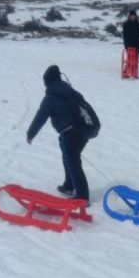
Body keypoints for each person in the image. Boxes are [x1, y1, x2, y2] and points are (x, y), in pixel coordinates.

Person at [26, 65, 98, 203]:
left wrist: (30, 133)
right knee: (69, 157)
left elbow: (40, 117)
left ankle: (82, 197)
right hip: (84, 130)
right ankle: (69, 185)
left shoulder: (50, 97)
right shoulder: (71, 91)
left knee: (73, 161)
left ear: (47, 82)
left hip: (70, 132)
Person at [122, 10, 139, 78]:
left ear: (135, 16)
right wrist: (126, 45)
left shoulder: (138, 25)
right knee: (129, 59)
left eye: (134, 16)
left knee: (135, 59)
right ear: (129, 16)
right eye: (131, 16)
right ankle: (126, 72)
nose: (133, 17)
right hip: (129, 44)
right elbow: (124, 35)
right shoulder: (126, 24)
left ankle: (134, 72)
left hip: (137, 44)